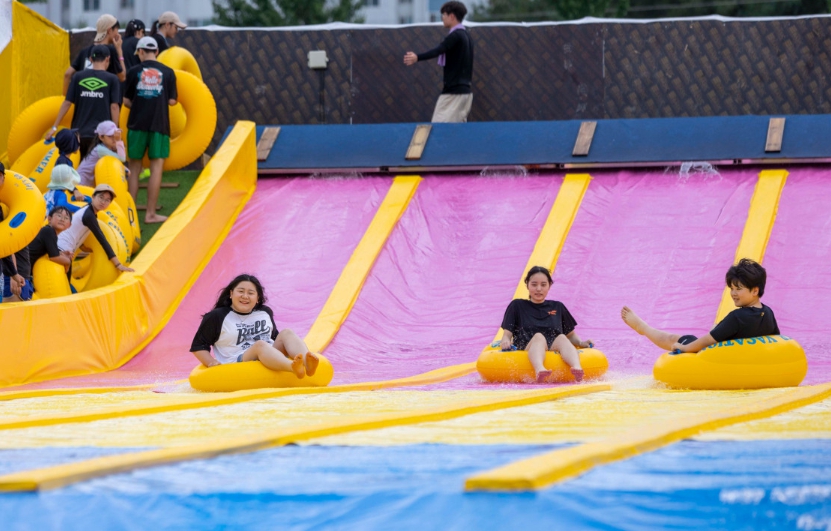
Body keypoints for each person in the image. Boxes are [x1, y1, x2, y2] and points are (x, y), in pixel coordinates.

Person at [621, 258, 780, 353]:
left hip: (717, 359)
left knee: (674, 339)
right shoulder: (768, 313)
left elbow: (707, 340)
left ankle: (643, 328)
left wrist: (685, 348)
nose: (733, 293)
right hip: (746, 359)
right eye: (731, 288)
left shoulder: (737, 317)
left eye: (738, 289)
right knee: (715, 329)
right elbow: (778, 340)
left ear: (755, 291)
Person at [190, 274, 320, 378]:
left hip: (267, 353)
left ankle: (306, 364)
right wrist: (211, 363)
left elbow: (274, 337)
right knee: (259, 345)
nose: (245, 296)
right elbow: (199, 345)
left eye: (251, 293)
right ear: (231, 294)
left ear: (257, 298)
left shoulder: (264, 312)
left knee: (286, 332)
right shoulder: (217, 316)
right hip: (238, 360)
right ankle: (291, 367)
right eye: (240, 291)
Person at [500, 266, 593, 383]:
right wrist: (505, 340)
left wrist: (580, 343)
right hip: (527, 346)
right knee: (539, 337)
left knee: (562, 337)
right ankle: (540, 369)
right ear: (527, 285)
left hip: (552, 346)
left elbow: (570, 335)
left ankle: (577, 367)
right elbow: (507, 333)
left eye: (543, 285)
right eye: (534, 284)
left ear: (549, 286)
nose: (538, 289)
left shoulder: (557, 307)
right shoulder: (517, 305)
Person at [124, 36, 177, 224]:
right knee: (156, 168)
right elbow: (172, 101)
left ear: (140, 51)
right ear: (156, 51)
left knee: (135, 168)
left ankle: (129, 216)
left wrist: (141, 101)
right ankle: (151, 214)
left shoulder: (133, 72)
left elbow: (126, 101)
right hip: (159, 125)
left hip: (136, 124)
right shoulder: (169, 73)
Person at [403, 1, 474, 123]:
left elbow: (438, 50)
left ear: (451, 16)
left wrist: (417, 57)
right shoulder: (467, 36)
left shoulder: (455, 36)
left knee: (438, 128)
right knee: (457, 132)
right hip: (466, 94)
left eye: (444, 15)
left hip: (453, 94)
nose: (442, 18)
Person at [49, 45, 121, 160]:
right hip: (101, 136)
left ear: (91, 59)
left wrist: (54, 127)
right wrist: (115, 131)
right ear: (108, 59)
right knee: (98, 171)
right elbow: (114, 107)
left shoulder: (78, 76)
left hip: (79, 134)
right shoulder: (112, 79)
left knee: (80, 171)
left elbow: (67, 103)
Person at [57, 184, 134, 274]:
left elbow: (77, 230)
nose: (103, 202)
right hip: (61, 250)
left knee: (67, 284)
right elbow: (102, 240)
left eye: (107, 200)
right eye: (101, 197)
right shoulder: (89, 215)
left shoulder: (88, 210)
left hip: (64, 249)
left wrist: (84, 248)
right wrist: (118, 264)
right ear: (93, 197)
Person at [63, 14, 125, 96]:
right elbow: (122, 77)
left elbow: (67, 74)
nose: (118, 34)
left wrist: (65, 98)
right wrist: (119, 51)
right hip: (102, 103)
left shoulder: (84, 51)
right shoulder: (110, 51)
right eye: (117, 30)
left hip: (83, 102)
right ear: (109, 30)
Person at [26, 206, 74, 292]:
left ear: (69, 225)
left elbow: (51, 250)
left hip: (26, 270)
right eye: (59, 216)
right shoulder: (48, 231)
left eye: (66, 218)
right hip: (22, 271)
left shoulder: (49, 232)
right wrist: (68, 262)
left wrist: (62, 253)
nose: (62, 219)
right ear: (49, 218)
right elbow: (54, 257)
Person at [77, 121, 127, 187]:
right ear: (101, 137)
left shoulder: (106, 147)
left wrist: (124, 168)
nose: (114, 138)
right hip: (82, 183)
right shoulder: (100, 150)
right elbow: (122, 158)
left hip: (88, 183)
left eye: (115, 135)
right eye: (110, 136)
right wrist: (119, 141)